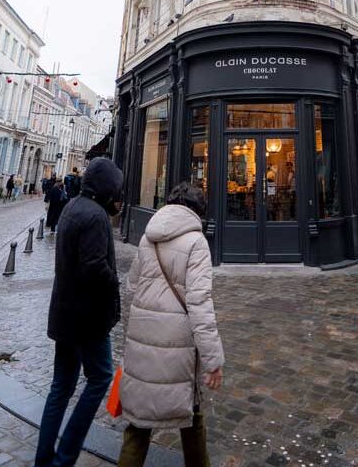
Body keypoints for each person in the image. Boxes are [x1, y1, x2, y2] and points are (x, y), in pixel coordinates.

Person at [117, 182, 224, 467]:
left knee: (138, 427)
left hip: (143, 338)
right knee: (192, 415)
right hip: (179, 346)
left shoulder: (148, 236)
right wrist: (213, 359)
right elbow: (200, 304)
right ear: (198, 211)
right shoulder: (196, 242)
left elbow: (131, 287)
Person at [34, 157, 123, 467]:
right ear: (107, 188)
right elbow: (94, 266)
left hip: (64, 314)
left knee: (61, 386)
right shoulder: (96, 216)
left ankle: (44, 458)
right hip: (88, 319)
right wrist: (114, 282)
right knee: (100, 378)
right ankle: (65, 456)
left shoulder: (73, 206)